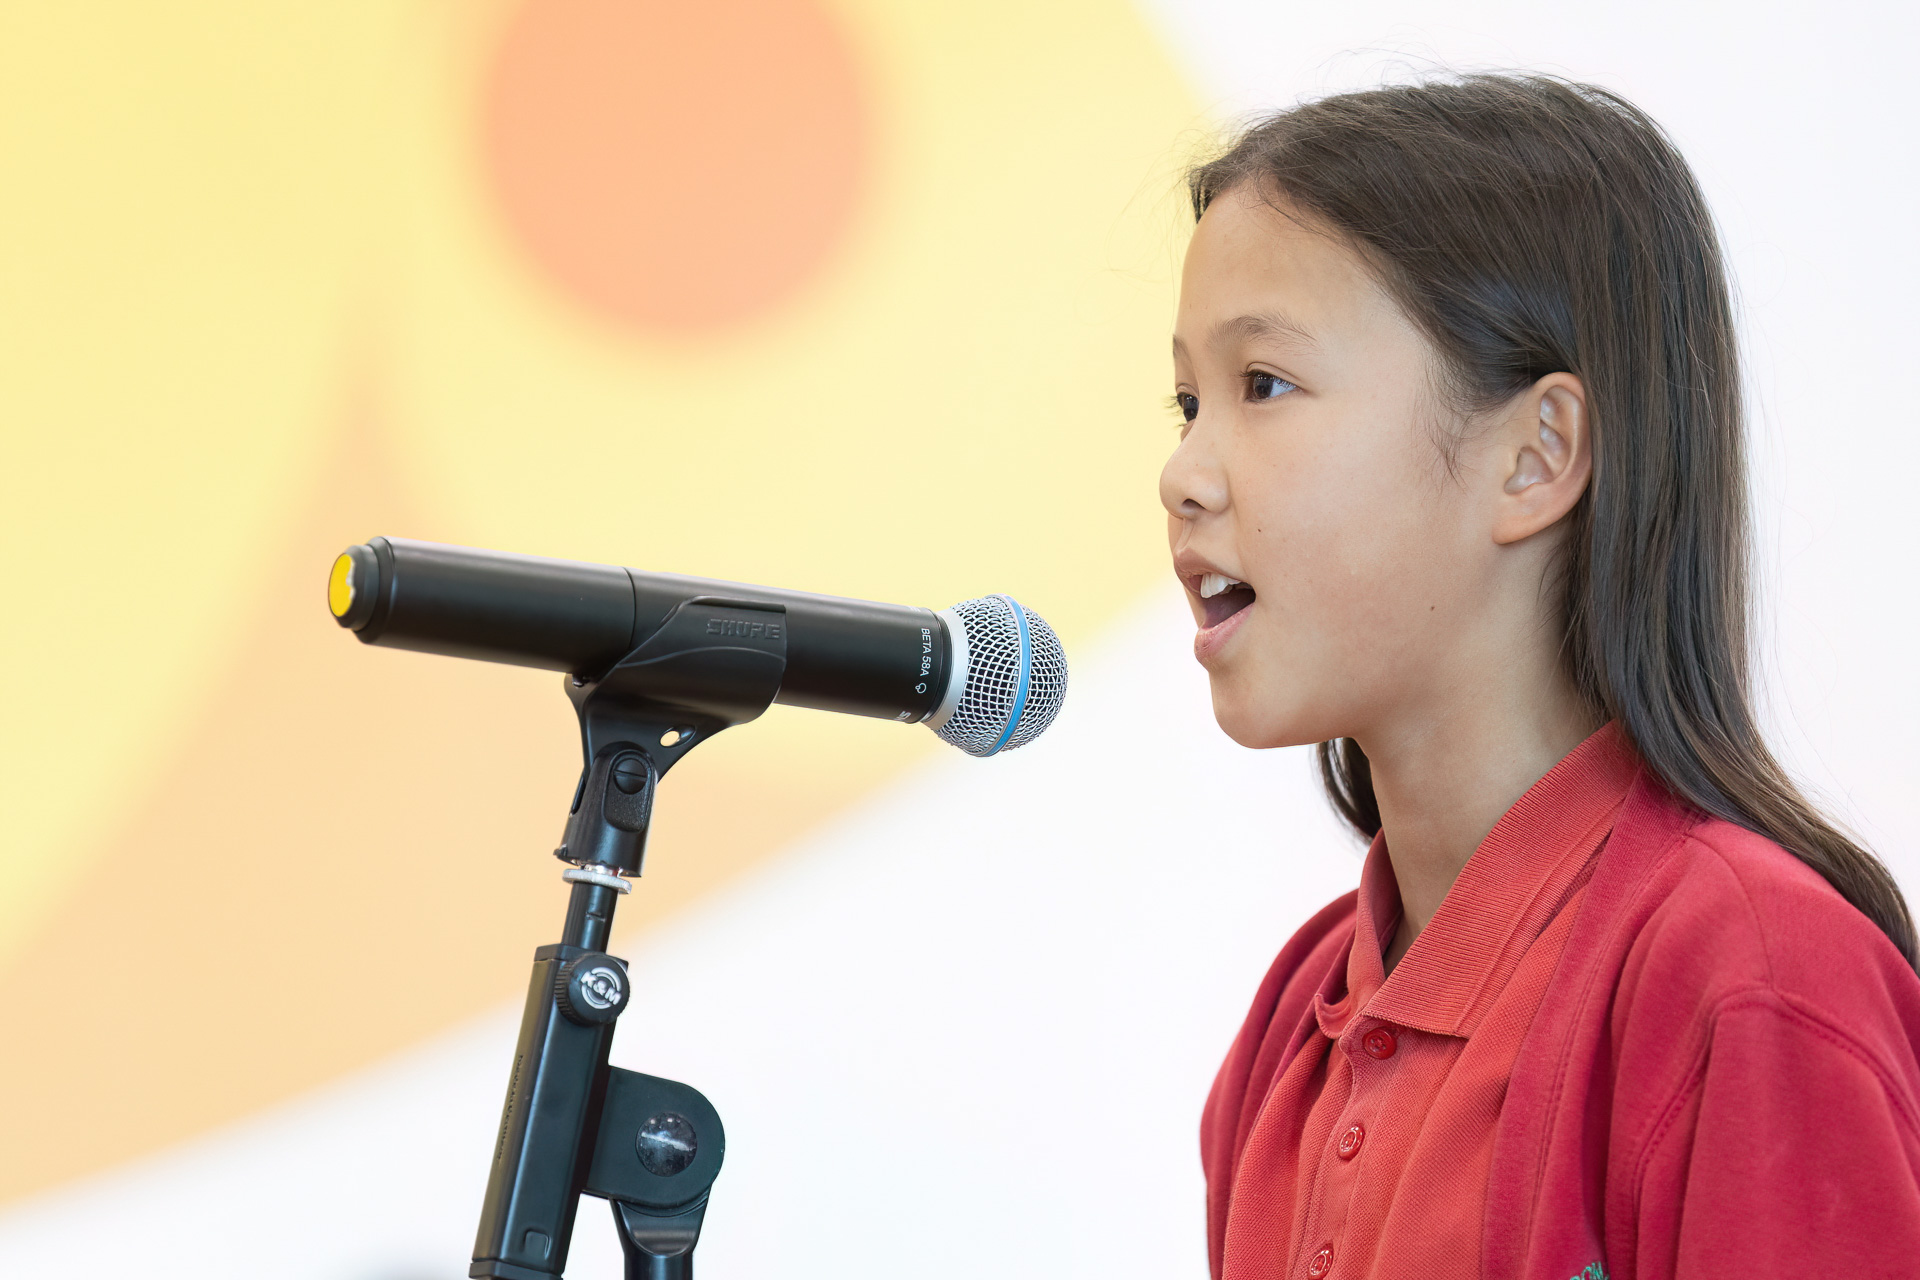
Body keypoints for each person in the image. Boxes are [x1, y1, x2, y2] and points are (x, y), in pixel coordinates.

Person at [1160, 73, 1920, 1280]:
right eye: (1187, 400)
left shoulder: (1751, 976)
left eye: (1264, 385)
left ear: (1536, 455)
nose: (1185, 473)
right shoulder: (1292, 1026)